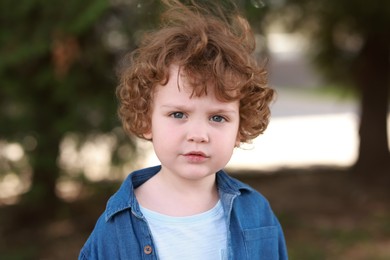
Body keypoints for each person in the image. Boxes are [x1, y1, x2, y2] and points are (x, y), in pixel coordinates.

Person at [79, 0, 288, 259]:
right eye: (178, 114)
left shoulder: (257, 214)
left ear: (240, 127)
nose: (198, 134)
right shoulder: (116, 227)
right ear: (146, 120)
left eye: (218, 118)